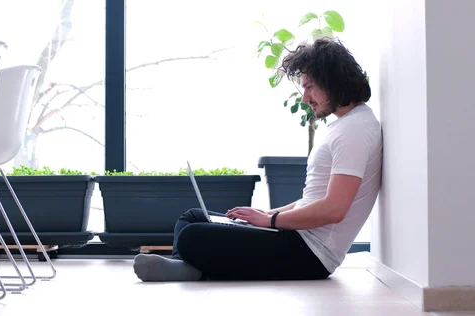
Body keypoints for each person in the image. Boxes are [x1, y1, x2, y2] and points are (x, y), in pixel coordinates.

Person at [133, 38, 383, 282]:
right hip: (295, 236)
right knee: (193, 217)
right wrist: (268, 213)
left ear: (332, 82)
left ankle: (189, 266)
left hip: (310, 253)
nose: (305, 97)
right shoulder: (347, 125)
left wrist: (270, 221)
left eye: (309, 86)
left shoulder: (356, 130)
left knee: (192, 237)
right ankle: (186, 267)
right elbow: (314, 199)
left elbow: (334, 209)